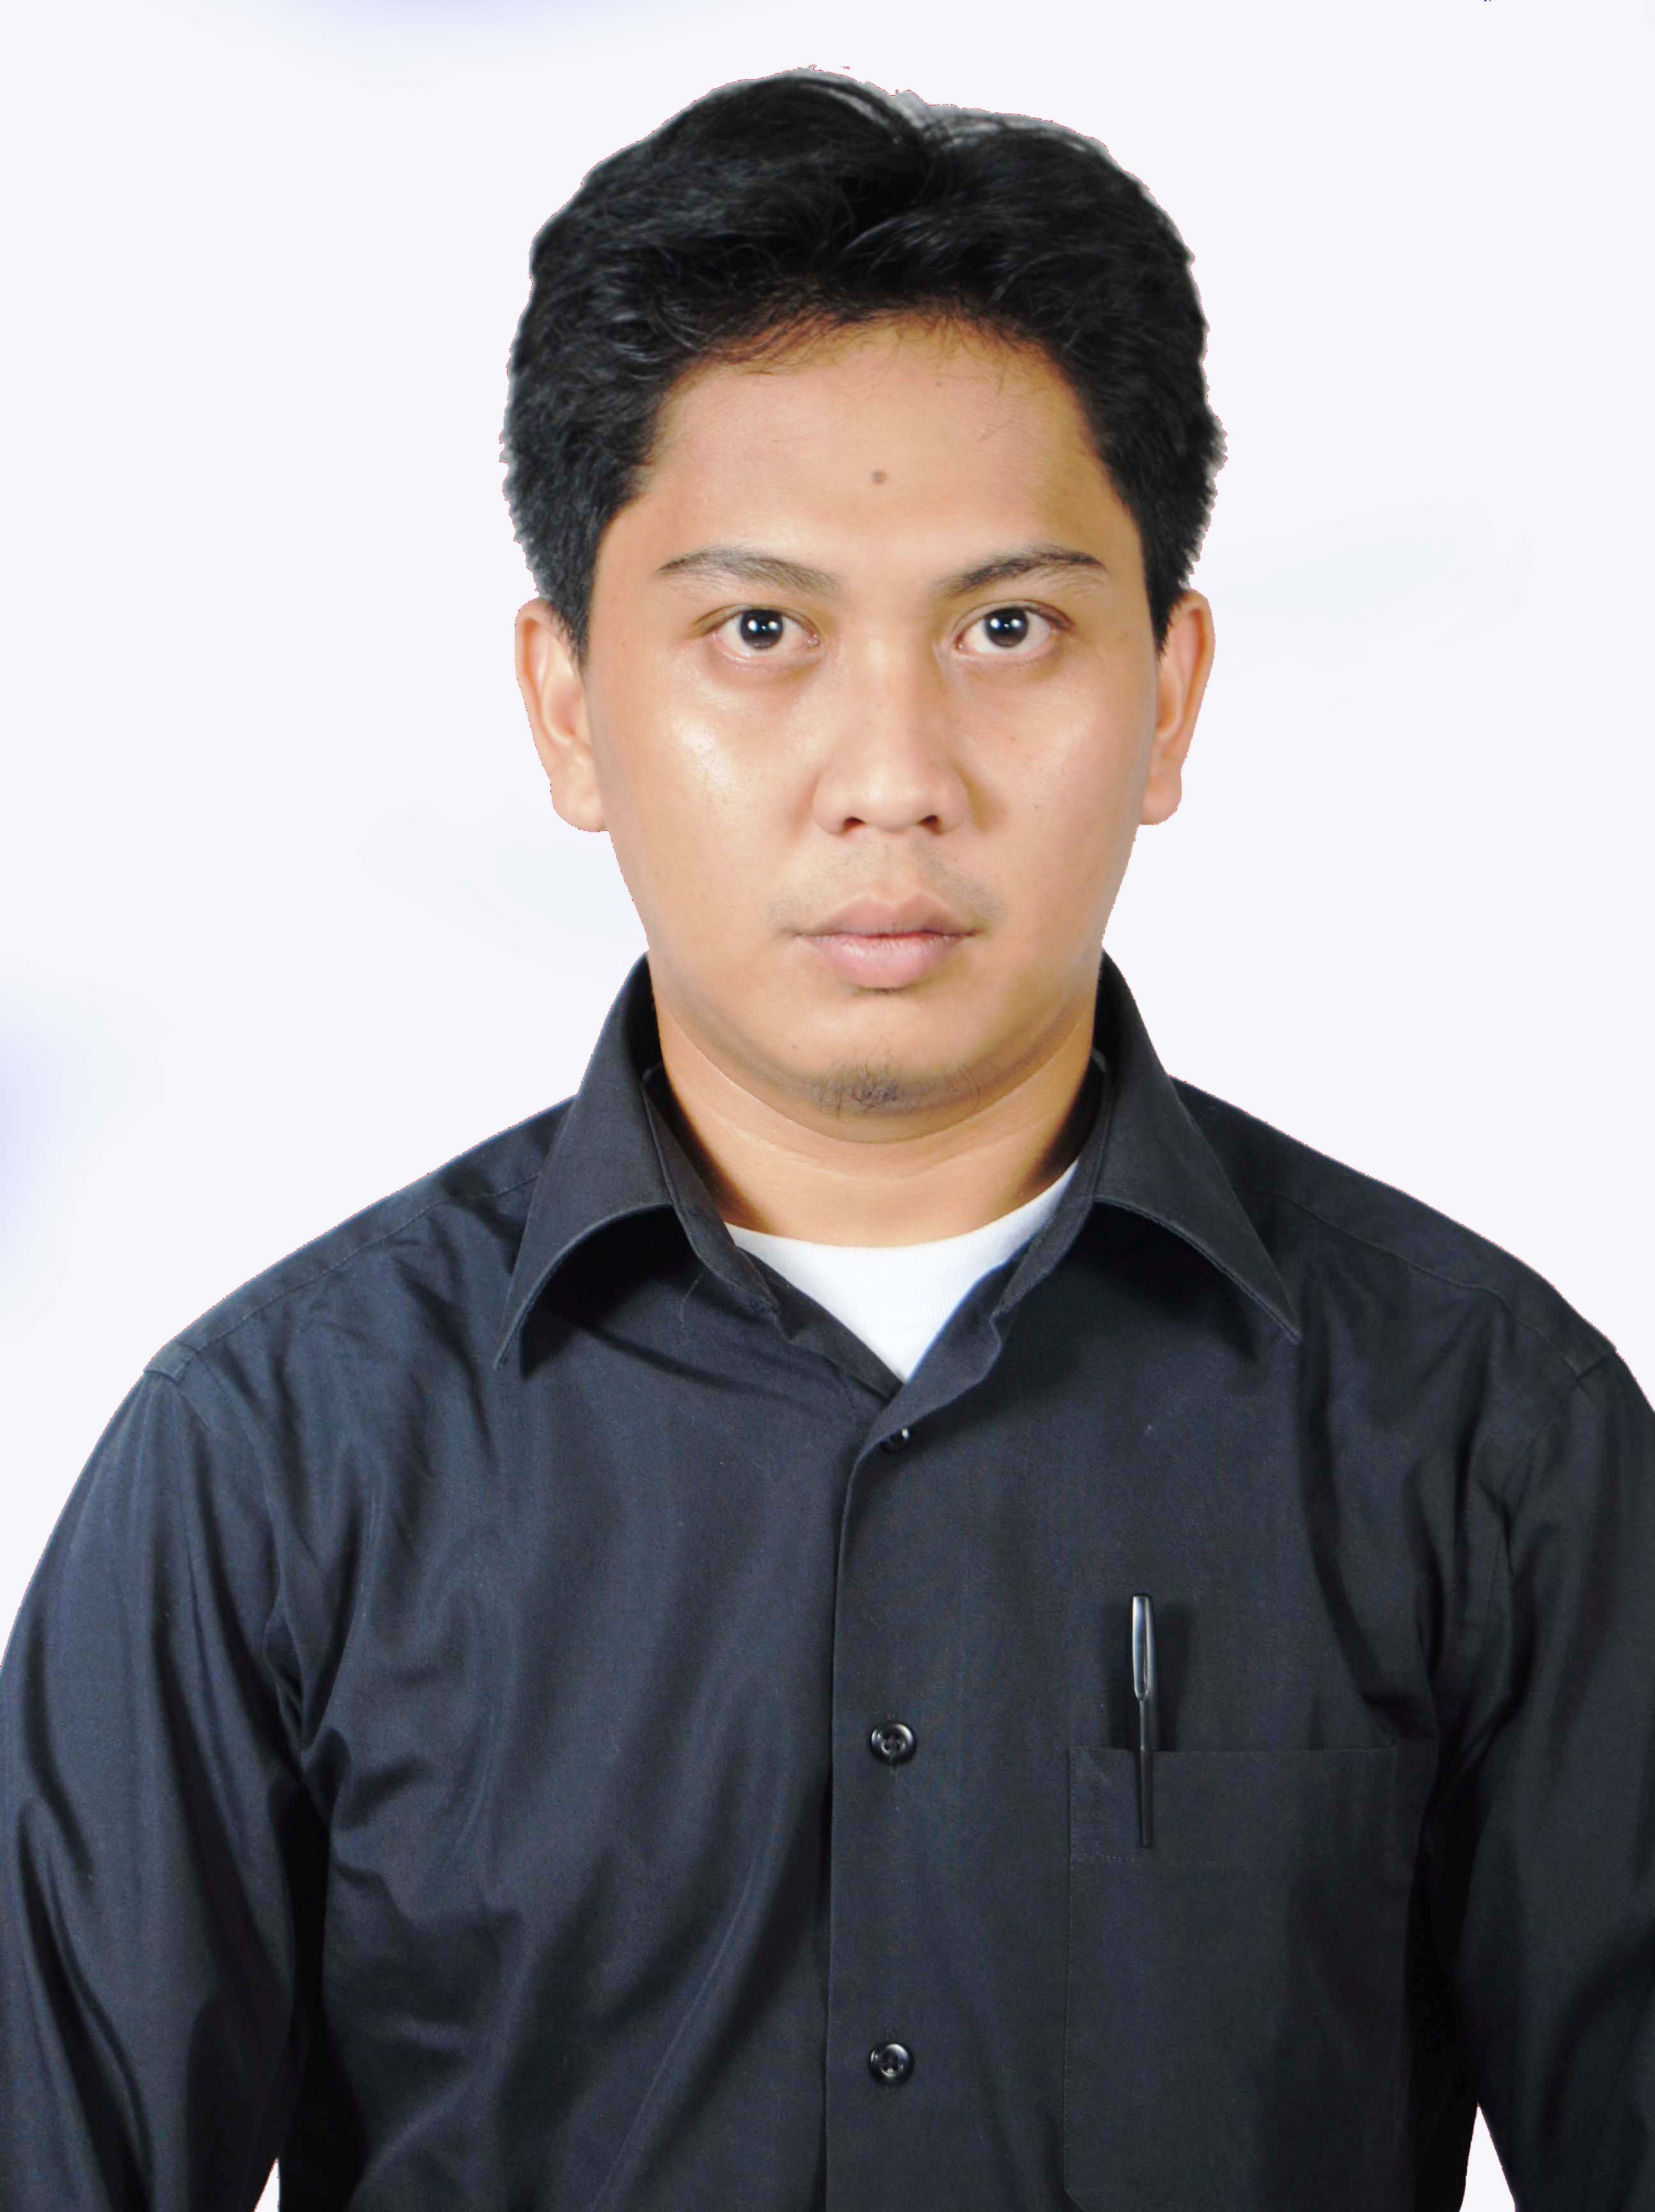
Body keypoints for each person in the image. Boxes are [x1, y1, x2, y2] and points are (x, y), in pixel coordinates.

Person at [1, 64, 1650, 2212]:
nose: (894, 774)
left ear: (1167, 697)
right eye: (760, 631)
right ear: (570, 708)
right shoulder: (274, 1462)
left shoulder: (1484, 1429)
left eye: (1007, 628)